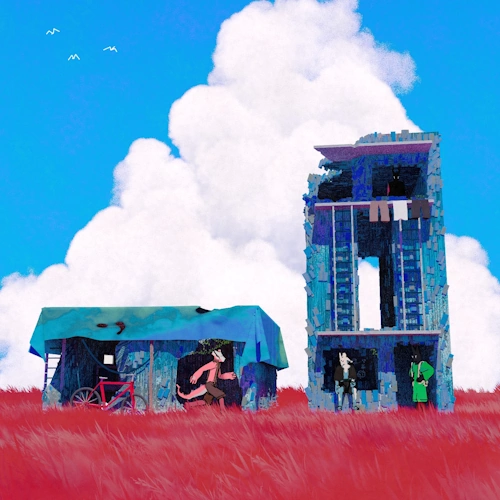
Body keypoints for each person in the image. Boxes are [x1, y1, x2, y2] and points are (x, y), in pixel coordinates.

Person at [409, 345, 434, 410]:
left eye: (415, 356)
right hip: (415, 386)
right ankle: (418, 411)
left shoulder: (422, 364)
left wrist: (423, 376)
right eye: (412, 356)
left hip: (421, 386)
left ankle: (422, 411)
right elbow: (411, 373)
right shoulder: (413, 365)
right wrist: (411, 377)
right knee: (417, 400)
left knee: (421, 400)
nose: (414, 358)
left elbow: (431, 370)